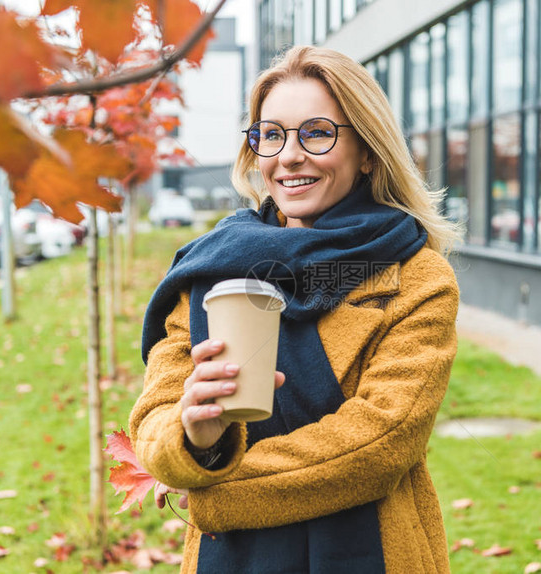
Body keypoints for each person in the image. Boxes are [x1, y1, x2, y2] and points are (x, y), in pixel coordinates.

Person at [130, 45, 461, 573]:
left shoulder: (415, 277)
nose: (288, 156)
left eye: (317, 133)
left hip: (368, 552)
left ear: (369, 151)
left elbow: (380, 443)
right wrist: (194, 436)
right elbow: (154, 417)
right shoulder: (212, 268)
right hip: (231, 559)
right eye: (272, 135)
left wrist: (219, 492)